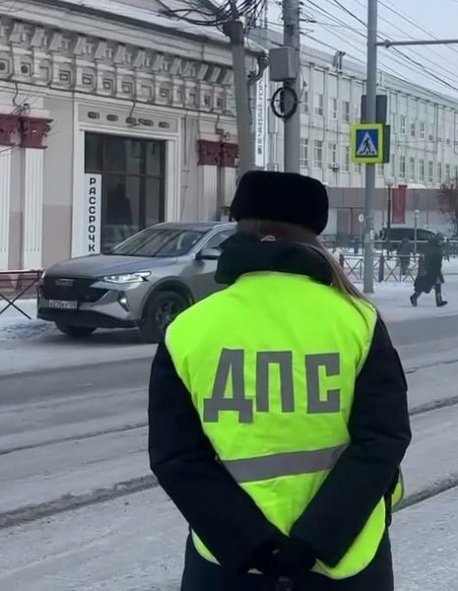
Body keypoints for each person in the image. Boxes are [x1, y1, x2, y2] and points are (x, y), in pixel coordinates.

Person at [148, 170, 411, 590]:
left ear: (239, 227)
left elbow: (176, 457)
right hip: (345, 561)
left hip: (227, 565)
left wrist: (251, 546)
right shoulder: (356, 319)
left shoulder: (189, 328)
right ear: (314, 235)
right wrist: (316, 540)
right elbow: (383, 439)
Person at [410, 234, 446, 307]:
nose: (441, 242)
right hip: (430, 270)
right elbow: (430, 259)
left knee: (437, 285)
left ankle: (439, 300)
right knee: (424, 285)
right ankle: (414, 297)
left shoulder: (436, 247)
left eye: (442, 241)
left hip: (435, 270)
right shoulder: (433, 248)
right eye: (441, 241)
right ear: (437, 241)